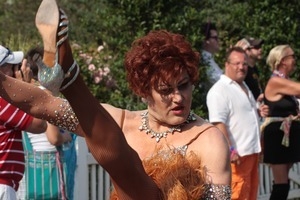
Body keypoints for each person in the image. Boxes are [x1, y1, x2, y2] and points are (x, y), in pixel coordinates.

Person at [0, 0, 231, 199]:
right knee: (102, 130)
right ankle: (68, 75)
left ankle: (70, 76)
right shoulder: (124, 121)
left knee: (129, 166)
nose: (178, 97)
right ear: (143, 91)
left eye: (184, 86)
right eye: (165, 90)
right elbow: (44, 104)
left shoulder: (209, 139)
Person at [206, 46, 269, 200]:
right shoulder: (219, 91)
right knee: (236, 195)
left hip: (251, 153)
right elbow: (218, 124)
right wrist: (231, 150)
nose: (242, 67)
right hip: (237, 157)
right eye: (237, 63)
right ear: (226, 64)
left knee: (250, 195)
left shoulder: (243, 85)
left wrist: (259, 111)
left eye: (244, 64)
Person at [16, 46, 77, 200]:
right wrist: (67, 137)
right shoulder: (46, 96)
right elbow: (53, 137)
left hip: (30, 169)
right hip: (50, 168)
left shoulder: (26, 95)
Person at [0, 45, 47, 200]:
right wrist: (26, 88)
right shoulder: (2, 102)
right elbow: (39, 124)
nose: (18, 70)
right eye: (12, 66)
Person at [261, 45, 300, 200]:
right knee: (281, 185)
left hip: (286, 134)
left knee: (283, 184)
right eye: (292, 56)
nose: (295, 60)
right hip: (277, 135)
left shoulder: (284, 81)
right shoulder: (276, 81)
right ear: (283, 61)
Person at [235, 37, 264, 102]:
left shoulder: (254, 68)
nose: (260, 49)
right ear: (246, 51)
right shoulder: (243, 71)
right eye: (256, 47)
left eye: (260, 47)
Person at [200, 22, 223, 88]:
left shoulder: (209, 58)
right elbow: (217, 79)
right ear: (206, 40)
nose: (218, 41)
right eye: (215, 38)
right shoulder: (204, 59)